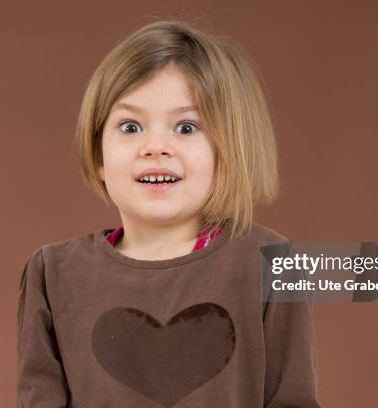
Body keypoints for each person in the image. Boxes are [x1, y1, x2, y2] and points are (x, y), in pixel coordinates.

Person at [17, 19, 320, 408]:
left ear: (229, 152)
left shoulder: (270, 263)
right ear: (97, 157)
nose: (156, 146)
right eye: (130, 126)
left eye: (186, 127)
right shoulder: (52, 273)